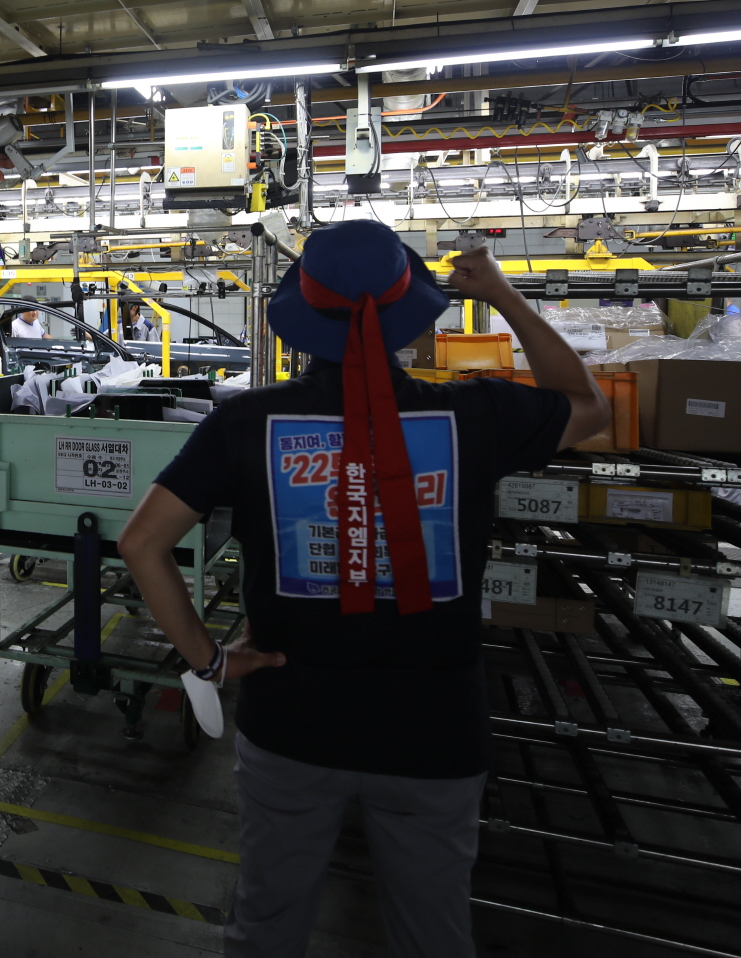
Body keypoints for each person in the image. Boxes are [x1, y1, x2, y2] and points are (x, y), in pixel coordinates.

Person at [119, 226, 609, 958]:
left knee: (266, 926)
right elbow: (588, 405)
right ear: (410, 319)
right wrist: (502, 294)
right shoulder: (475, 414)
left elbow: (141, 543)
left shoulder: (246, 421)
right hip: (434, 727)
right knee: (432, 934)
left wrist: (209, 661)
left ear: (304, 321)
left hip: (293, 721)